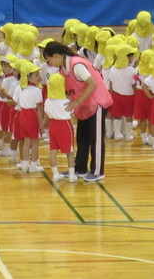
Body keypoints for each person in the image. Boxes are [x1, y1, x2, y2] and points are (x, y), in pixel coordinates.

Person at [42, 41, 113, 182]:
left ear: (56, 56)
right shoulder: (62, 69)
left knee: (96, 138)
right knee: (82, 137)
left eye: (49, 59)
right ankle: (79, 168)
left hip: (96, 102)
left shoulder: (76, 64)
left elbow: (92, 83)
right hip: (83, 105)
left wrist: (76, 102)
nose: (49, 63)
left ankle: (98, 171)